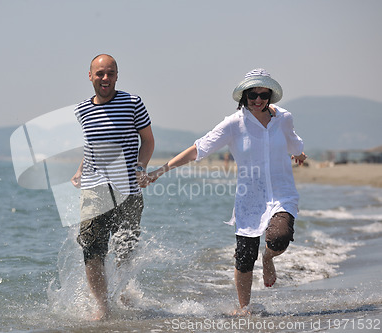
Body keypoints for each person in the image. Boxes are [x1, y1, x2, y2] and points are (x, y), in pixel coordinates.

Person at [148, 68, 306, 315]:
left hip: (282, 194)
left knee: (279, 237)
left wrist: (299, 153)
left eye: (263, 95)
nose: (257, 100)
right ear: (244, 96)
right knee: (244, 258)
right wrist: (162, 169)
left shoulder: (283, 118)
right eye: (252, 94)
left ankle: (268, 259)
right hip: (250, 199)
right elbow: (198, 149)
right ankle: (244, 309)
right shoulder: (234, 124)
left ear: (270, 96)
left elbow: (294, 141)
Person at [71, 54, 155, 320]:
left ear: (117, 75)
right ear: (90, 76)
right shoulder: (82, 109)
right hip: (95, 188)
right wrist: (80, 169)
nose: (105, 78)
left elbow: (148, 141)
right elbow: (92, 145)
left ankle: (122, 291)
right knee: (91, 247)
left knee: (124, 249)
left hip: (128, 189)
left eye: (110, 73)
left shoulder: (133, 103)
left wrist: (141, 167)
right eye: (100, 74)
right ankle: (103, 307)